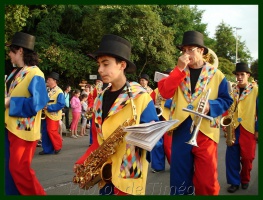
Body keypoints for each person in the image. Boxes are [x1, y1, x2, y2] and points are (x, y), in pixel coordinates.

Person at [73, 34, 158, 195]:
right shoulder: (99, 98)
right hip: (105, 171)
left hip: (130, 167)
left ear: (122, 65)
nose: (99, 69)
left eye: (105, 64)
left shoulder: (141, 97)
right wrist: (84, 160)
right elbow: (98, 140)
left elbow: (154, 139)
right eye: (99, 64)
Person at [158, 30, 233, 195]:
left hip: (205, 130)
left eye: (190, 49)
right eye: (183, 50)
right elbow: (164, 93)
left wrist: (210, 106)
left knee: (207, 182)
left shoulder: (217, 74)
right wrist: (178, 70)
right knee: (179, 182)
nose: (186, 54)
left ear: (201, 51)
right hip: (180, 130)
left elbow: (227, 100)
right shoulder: (178, 71)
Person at [5, 32, 49, 195]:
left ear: (20, 51)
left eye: (11, 50)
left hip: (23, 130)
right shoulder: (13, 73)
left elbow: (39, 103)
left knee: (19, 170)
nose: (9, 54)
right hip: (9, 128)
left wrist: (10, 102)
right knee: (8, 173)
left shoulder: (35, 73)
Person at [225, 62, 258, 193]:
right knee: (231, 158)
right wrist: (226, 125)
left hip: (248, 128)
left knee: (247, 157)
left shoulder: (256, 90)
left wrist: (258, 129)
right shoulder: (233, 90)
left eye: (242, 74)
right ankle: (234, 182)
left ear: (248, 75)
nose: (239, 77)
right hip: (233, 128)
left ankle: (245, 179)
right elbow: (229, 109)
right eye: (237, 75)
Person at [150, 69, 173, 173]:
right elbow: (149, 102)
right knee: (157, 144)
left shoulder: (176, 89)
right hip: (158, 118)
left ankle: (175, 164)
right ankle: (158, 166)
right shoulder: (155, 90)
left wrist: (169, 102)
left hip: (170, 119)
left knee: (169, 145)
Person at [39, 72, 65, 155]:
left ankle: (58, 146)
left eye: (49, 80)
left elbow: (61, 104)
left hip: (53, 115)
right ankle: (47, 149)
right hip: (45, 114)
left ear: (54, 81)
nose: (47, 81)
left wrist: (49, 107)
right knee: (45, 132)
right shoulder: (46, 90)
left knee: (51, 131)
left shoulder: (59, 91)